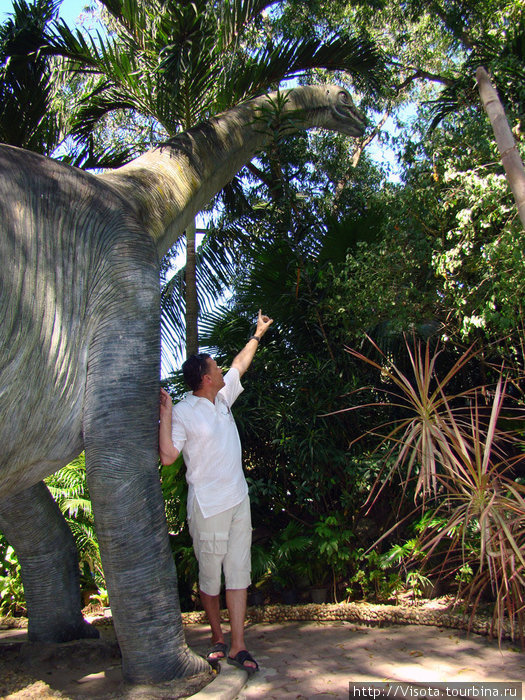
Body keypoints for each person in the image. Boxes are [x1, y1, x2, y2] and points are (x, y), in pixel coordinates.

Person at [159, 310, 273, 674]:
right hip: (207, 507)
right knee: (210, 578)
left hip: (238, 501)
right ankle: (217, 638)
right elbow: (168, 456)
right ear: (206, 378)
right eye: (216, 367)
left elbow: (240, 364)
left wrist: (257, 334)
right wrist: (164, 413)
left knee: (238, 574)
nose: (223, 369)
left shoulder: (223, 400)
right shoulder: (183, 412)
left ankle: (238, 645)